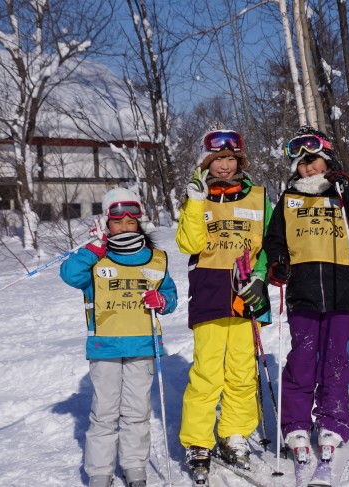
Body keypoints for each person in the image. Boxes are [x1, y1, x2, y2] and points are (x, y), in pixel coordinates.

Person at [264, 126, 349, 464]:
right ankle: (296, 424)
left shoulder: (343, 193)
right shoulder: (289, 198)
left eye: (313, 160)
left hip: (342, 292)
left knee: (334, 360)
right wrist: (278, 263)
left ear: (327, 159)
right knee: (302, 359)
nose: (308, 168)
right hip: (303, 294)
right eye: (302, 164)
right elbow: (275, 240)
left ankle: (333, 420)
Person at [60, 187, 178, 487]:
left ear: (139, 222)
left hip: (142, 345)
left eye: (131, 221)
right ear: (106, 223)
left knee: (137, 411)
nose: (124, 226)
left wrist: (161, 302)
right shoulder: (96, 260)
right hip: (105, 347)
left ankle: (134, 466)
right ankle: (100, 472)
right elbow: (69, 274)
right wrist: (94, 247)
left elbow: (170, 296)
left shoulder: (156, 259)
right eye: (117, 221)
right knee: (104, 411)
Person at [176, 128, 273, 476]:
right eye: (218, 159)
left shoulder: (259, 197)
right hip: (209, 292)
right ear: (207, 162)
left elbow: (270, 244)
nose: (225, 166)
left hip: (248, 292)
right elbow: (189, 244)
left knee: (243, 372)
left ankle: (234, 433)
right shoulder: (196, 197)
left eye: (231, 158)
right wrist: (195, 202)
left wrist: (260, 277)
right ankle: (198, 441)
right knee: (206, 372)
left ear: (239, 160)